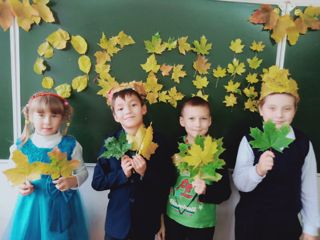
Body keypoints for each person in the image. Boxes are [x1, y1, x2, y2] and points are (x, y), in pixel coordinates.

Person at [233, 65, 320, 240]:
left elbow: (309, 189)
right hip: (251, 224)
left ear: (295, 110)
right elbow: (240, 182)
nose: (279, 115)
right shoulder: (250, 139)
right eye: (272, 108)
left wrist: (311, 228)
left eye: (287, 109)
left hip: (286, 225)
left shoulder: (302, 143)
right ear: (260, 109)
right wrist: (258, 170)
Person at [91, 82, 176, 240]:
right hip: (117, 224)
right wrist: (122, 174)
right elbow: (97, 182)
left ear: (143, 109)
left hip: (146, 223)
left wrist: (146, 172)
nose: (128, 111)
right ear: (115, 116)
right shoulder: (110, 142)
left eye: (133, 105)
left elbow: (169, 179)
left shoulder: (159, 141)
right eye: (121, 108)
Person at [6, 92, 89, 240]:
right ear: (30, 117)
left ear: (63, 118)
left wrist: (72, 181)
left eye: (54, 116)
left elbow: (82, 172)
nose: (47, 121)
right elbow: (13, 175)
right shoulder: (21, 146)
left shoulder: (71, 145)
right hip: (31, 205)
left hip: (62, 207)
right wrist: (19, 185)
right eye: (41, 115)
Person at [158, 96, 231, 240]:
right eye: (191, 118)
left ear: (210, 121)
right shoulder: (173, 147)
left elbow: (225, 192)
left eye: (203, 118)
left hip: (201, 225)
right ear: (182, 121)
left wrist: (205, 190)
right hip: (172, 219)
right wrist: (160, 220)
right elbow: (161, 186)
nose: (197, 124)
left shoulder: (217, 152)